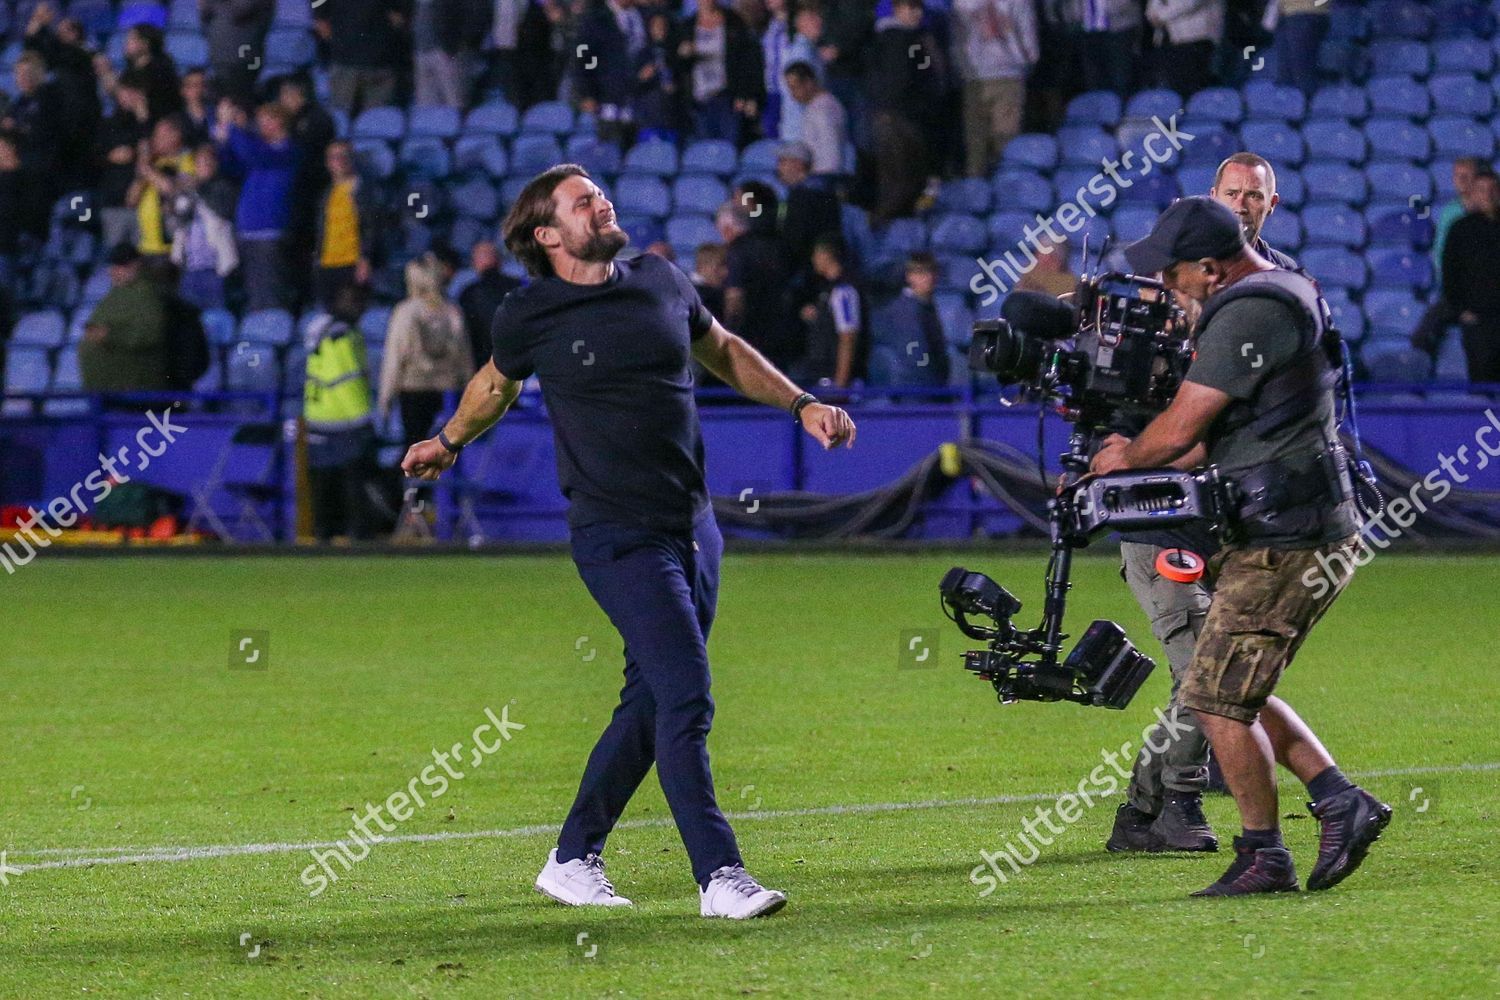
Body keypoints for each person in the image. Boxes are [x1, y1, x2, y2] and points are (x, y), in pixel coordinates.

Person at [400, 163, 856, 918]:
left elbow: (726, 351)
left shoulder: (661, 279)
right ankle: (720, 877)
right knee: (686, 694)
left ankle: (572, 857)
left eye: (601, 195)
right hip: (618, 535)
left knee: (649, 698)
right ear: (548, 234)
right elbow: (494, 384)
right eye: (585, 202)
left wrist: (801, 402)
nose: (603, 205)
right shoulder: (531, 311)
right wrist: (447, 441)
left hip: (695, 526)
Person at [1091, 197, 1391, 896]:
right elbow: (1209, 432)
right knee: (1225, 686)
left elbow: (1181, 427)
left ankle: (1265, 854)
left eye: (1173, 274)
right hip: (1284, 529)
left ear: (1209, 266)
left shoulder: (1251, 310)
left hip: (1290, 538)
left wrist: (1123, 459)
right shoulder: (1278, 293)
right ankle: (1340, 801)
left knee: (1219, 699)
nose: (1168, 286)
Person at [304, 282, 378, 543]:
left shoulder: (321, 332)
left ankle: (323, 536)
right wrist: (364, 421)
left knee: (324, 482)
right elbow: (348, 381)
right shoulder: (342, 337)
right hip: (343, 419)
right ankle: (358, 536)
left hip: (318, 416)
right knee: (353, 482)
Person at [377, 255, 474, 450]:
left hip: (413, 391)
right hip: (447, 392)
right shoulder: (452, 312)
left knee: (415, 450)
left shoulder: (405, 312)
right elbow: (464, 357)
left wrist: (385, 400)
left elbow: (394, 359)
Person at [215, 99, 300, 311]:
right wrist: (225, 140)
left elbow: (254, 155)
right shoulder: (259, 149)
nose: (259, 126)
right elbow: (230, 166)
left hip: (269, 232)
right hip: (248, 231)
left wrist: (233, 128)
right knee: (254, 296)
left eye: (265, 121)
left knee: (270, 295)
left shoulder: (288, 150)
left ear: (279, 122)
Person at [866, 0, 947, 222]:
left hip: (891, 117)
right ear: (897, 10)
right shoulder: (906, 41)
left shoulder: (889, 40)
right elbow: (912, 80)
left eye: (918, 8)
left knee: (897, 180)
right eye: (909, 8)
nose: (915, 14)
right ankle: (882, 226)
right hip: (902, 119)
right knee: (903, 181)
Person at [952, 0, 1039, 178]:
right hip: (975, 81)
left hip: (1008, 77)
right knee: (976, 146)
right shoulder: (962, 4)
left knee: (1006, 141)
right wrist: (965, 71)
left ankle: (1009, 190)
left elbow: (1030, 46)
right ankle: (975, 196)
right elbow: (956, 43)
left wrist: (1007, 34)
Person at [669, 1, 764, 144]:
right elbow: (677, 67)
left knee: (729, 147)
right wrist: (683, 55)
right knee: (704, 150)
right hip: (699, 100)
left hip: (727, 98)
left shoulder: (733, 22)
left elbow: (747, 61)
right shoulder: (686, 26)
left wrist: (745, 94)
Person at [81, 244, 169, 393]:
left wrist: (109, 334)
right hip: (108, 390)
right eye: (113, 266)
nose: (114, 271)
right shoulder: (117, 293)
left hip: (132, 389)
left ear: (136, 265)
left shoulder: (146, 294)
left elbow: (151, 332)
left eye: (121, 266)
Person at [1441, 171, 1500, 383]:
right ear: (1473, 194)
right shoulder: (1460, 230)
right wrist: (1461, 310)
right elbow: (1450, 274)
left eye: (1493, 190)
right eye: (1482, 190)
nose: (1488, 195)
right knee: (1482, 385)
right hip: (1477, 322)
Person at [170, 144, 239, 311]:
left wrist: (198, 188)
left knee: (216, 313)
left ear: (216, 164)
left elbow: (222, 210)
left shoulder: (224, 186)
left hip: (215, 267)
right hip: (191, 266)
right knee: (188, 315)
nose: (204, 166)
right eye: (200, 163)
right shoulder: (188, 189)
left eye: (208, 162)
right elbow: (180, 218)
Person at [314, 140, 380, 309]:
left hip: (352, 263)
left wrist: (366, 258)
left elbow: (371, 226)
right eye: (334, 157)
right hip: (327, 263)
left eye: (345, 156)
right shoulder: (327, 192)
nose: (340, 161)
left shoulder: (363, 190)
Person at [870, 251, 950, 386]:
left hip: (933, 389)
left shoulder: (929, 307)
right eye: (921, 273)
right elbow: (916, 359)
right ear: (909, 276)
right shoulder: (905, 310)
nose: (928, 277)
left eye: (931, 271)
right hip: (916, 392)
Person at [798, 238, 865, 389]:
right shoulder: (827, 289)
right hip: (822, 375)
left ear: (826, 255)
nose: (813, 259)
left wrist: (840, 383)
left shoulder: (844, 290)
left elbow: (848, 336)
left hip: (834, 380)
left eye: (816, 254)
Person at [316, 1, 404, 115]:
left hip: (375, 66)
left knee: (374, 122)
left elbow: (321, 24)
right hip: (353, 63)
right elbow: (397, 20)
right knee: (343, 118)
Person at [457, 240, 522, 370]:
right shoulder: (520, 287)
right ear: (499, 261)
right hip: (520, 364)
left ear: (475, 263)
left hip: (482, 366)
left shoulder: (468, 294)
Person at [782, 61, 848, 179]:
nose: (792, 95)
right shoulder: (815, 107)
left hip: (823, 179)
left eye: (794, 88)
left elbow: (831, 156)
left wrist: (814, 181)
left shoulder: (823, 110)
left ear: (808, 83)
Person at [1146, 0, 1225, 98]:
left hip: (1198, 39)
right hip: (1170, 40)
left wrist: (1161, 16)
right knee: (1173, 86)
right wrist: (1153, 16)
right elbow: (1153, 7)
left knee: (1192, 88)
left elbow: (1190, 3)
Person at [201, 0, 274, 103]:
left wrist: (215, 5)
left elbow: (240, 12)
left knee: (241, 99)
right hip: (220, 61)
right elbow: (204, 13)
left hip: (248, 62)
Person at [1064, 0, 1142, 96]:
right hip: (1086, 28)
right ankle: (1099, 107)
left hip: (1118, 27)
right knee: (1092, 79)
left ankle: (1120, 108)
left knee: (1120, 78)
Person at [1273, 0, 1329, 97]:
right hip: (1286, 14)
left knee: (1300, 67)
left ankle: (1308, 103)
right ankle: (1289, 105)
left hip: (1308, 12)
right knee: (1286, 68)